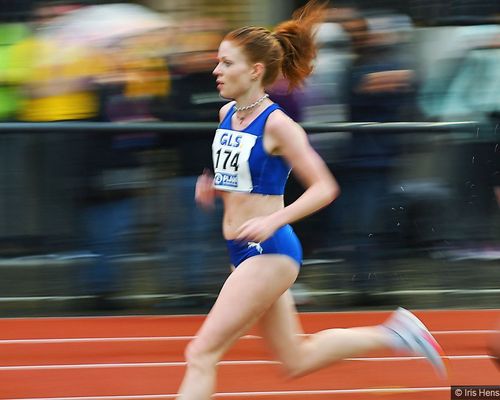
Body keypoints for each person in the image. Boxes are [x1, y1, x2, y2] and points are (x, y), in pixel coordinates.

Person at [176, 2, 447, 398]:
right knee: (295, 359)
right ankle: (396, 334)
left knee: (201, 352)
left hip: (268, 251)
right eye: (218, 62)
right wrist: (216, 184)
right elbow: (248, 176)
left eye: (226, 62)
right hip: (240, 248)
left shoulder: (279, 124)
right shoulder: (226, 114)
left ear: (254, 70)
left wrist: (274, 220)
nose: (216, 70)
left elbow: (325, 187)